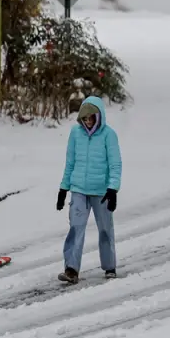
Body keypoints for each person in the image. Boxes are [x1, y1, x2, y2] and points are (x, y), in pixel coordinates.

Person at [56, 95, 122, 284]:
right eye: (84, 118)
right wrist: (63, 189)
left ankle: (109, 266)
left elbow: (115, 164)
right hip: (79, 190)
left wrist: (113, 189)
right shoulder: (76, 134)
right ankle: (71, 269)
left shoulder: (109, 135)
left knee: (105, 229)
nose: (88, 121)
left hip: (101, 192)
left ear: (98, 116)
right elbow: (70, 163)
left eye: (91, 117)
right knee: (76, 228)